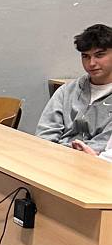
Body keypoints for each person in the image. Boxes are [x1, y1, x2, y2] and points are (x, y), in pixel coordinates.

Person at [36, 24, 112, 153]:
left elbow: (104, 146)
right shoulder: (66, 91)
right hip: (54, 157)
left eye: (99, 55)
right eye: (85, 56)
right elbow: (44, 135)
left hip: (94, 161)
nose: (91, 63)